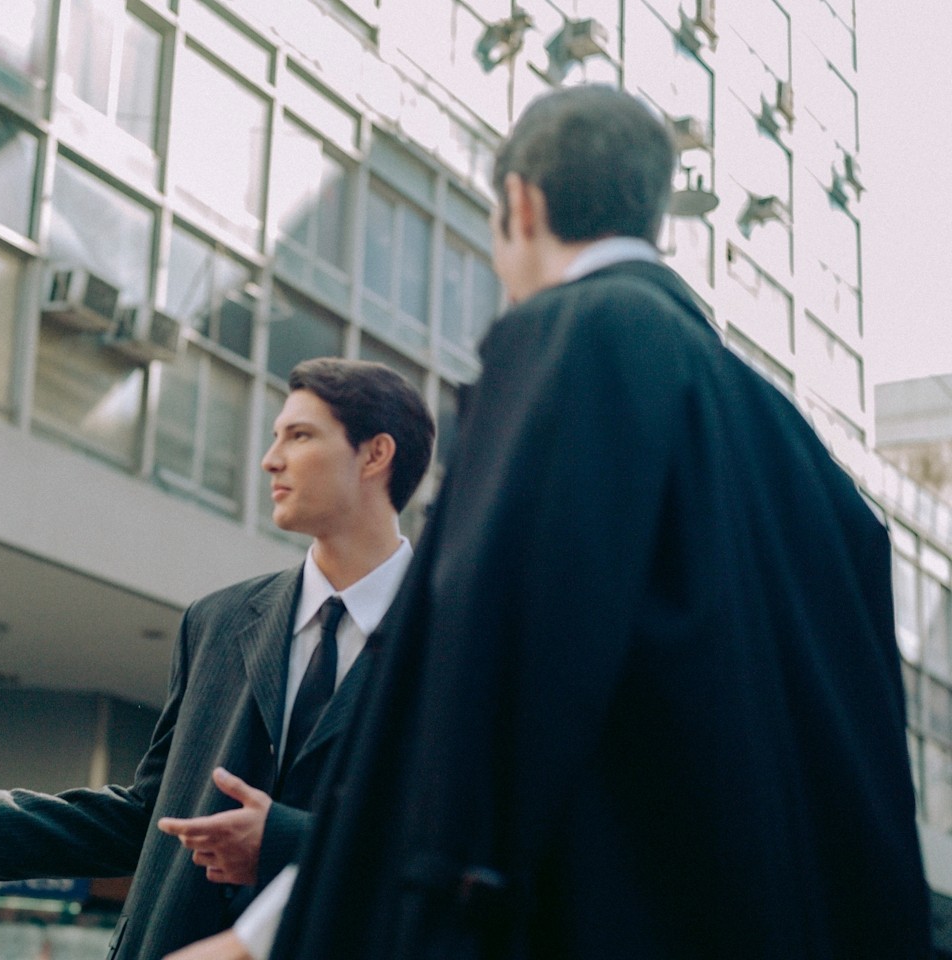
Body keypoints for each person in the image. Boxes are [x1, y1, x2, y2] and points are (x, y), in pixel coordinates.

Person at [172, 84, 931, 960]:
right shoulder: (800, 453)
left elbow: (483, 695)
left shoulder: (572, 339)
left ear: (521, 205)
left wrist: (266, 940)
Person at [0, 357, 435, 960]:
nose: (270, 459)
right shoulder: (218, 621)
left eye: (299, 436)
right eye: (275, 436)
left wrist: (282, 840)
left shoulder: (453, 639)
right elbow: (148, 819)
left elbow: (465, 849)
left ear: (376, 454)